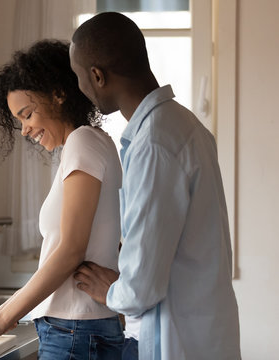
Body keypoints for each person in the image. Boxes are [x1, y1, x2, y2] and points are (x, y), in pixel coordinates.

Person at [69, 12, 241, 360]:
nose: (79, 88)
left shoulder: (154, 145)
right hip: (204, 336)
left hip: (172, 342)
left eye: (78, 77)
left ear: (97, 76)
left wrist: (113, 290)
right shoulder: (184, 125)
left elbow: (141, 288)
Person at [0, 39, 124, 359]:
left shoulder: (83, 142)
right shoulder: (94, 143)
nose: (24, 130)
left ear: (58, 95)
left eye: (27, 114)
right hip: (78, 329)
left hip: (75, 330)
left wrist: (1, 319)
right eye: (18, 120)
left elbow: (70, 250)